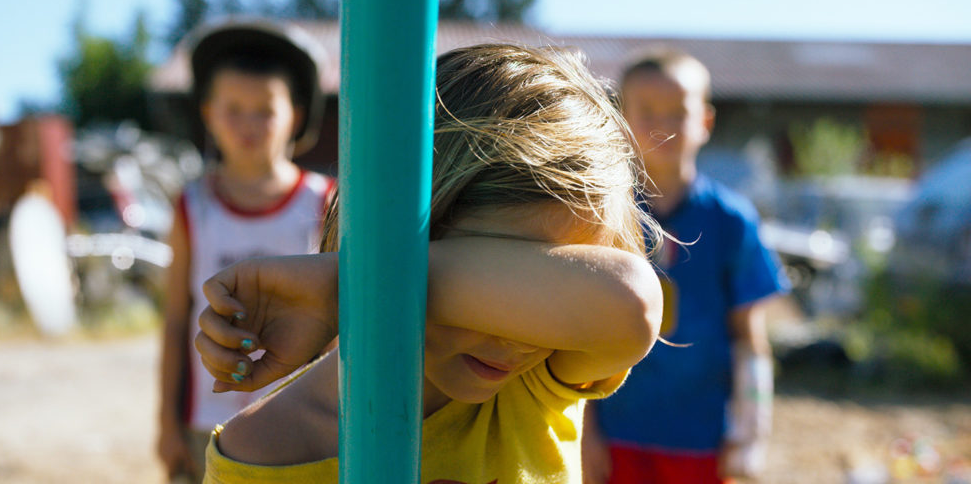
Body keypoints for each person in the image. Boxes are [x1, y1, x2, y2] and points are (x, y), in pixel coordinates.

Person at [191, 43, 665, 483]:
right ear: (412, 220)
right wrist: (374, 278)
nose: (519, 336)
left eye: (547, 285)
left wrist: (354, 284)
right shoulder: (264, 452)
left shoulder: (540, 381)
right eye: (506, 274)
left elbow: (630, 301)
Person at [582, 47, 791, 484]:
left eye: (678, 111)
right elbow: (576, 331)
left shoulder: (732, 220)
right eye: (647, 110)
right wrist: (584, 432)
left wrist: (749, 431)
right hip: (616, 434)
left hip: (702, 440)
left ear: (706, 122)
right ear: (620, 119)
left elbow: (750, 340)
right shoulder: (597, 216)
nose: (662, 124)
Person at [156, 19, 334, 483]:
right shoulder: (191, 207)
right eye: (234, 109)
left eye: (265, 110)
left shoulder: (325, 202)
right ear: (209, 113)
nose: (248, 124)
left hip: (301, 422)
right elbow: (177, 319)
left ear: (295, 115)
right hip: (205, 424)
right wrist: (165, 422)